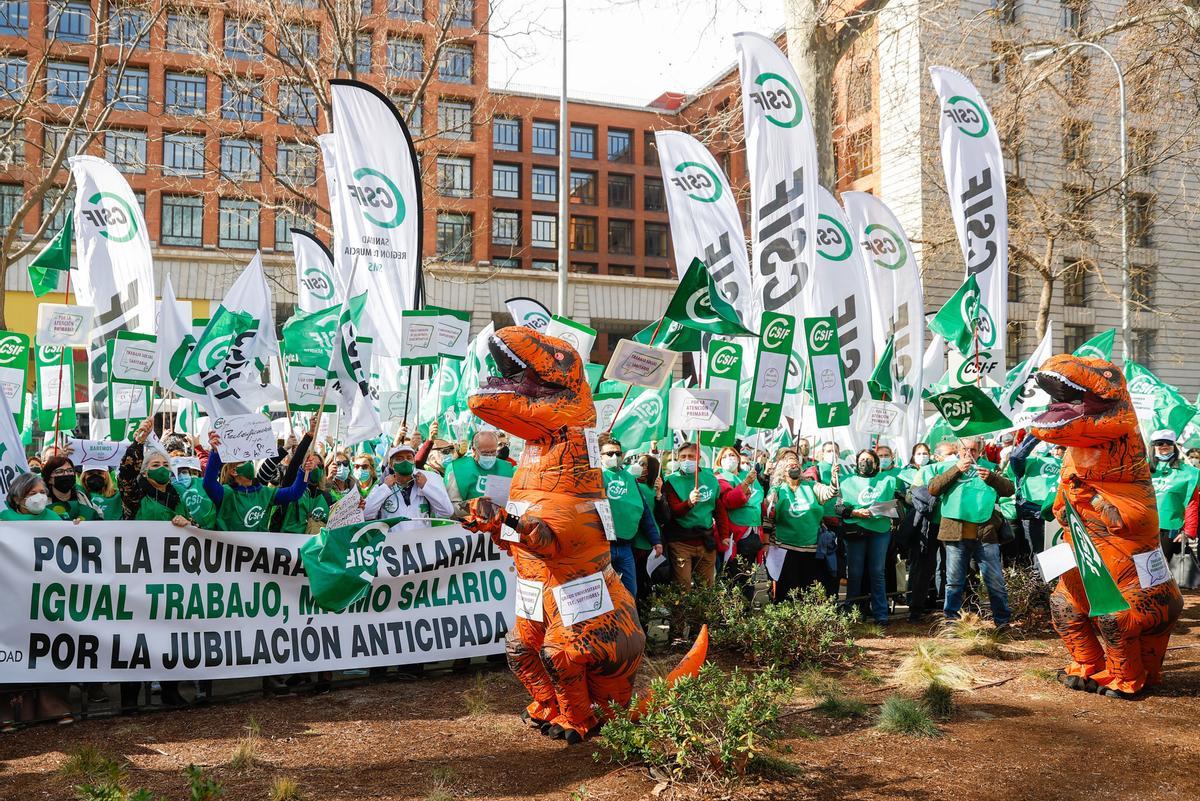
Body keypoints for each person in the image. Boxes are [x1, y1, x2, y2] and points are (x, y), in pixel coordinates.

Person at [926, 436, 1014, 629]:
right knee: (954, 582)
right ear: (958, 450)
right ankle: (951, 622)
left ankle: (1002, 622)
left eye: (973, 450)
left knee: (994, 581)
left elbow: (1009, 489)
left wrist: (991, 477)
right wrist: (956, 469)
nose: (969, 454)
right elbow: (933, 489)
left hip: (985, 534)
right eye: (965, 450)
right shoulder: (945, 467)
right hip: (955, 535)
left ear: (980, 451)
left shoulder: (991, 467)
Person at [837, 449, 903, 625]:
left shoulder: (888, 480)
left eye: (869, 459)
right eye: (861, 459)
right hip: (856, 530)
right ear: (856, 462)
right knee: (856, 572)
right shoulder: (846, 481)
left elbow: (897, 505)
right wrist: (855, 512)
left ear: (876, 463)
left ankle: (881, 614)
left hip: (880, 531)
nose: (864, 462)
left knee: (877, 572)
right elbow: (838, 508)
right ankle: (852, 611)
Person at [767, 450, 837, 601]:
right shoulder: (777, 490)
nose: (793, 464)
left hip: (811, 548)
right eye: (788, 462)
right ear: (782, 468)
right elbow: (768, 515)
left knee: (809, 589)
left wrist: (834, 479)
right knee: (787, 590)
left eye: (796, 462)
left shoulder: (812, 486)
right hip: (784, 548)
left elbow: (830, 493)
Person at [203, 431, 308, 531]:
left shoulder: (265, 493)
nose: (250, 463)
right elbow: (208, 483)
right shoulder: (226, 494)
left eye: (250, 460)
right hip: (230, 548)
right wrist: (216, 452)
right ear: (234, 471)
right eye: (244, 461)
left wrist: (305, 470)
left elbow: (294, 493)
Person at [598, 436, 661, 602]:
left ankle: (627, 627)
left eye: (618, 453)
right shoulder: (595, 477)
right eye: (609, 453)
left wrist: (655, 539)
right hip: (602, 546)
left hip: (626, 546)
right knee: (602, 595)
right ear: (600, 456)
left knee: (629, 594)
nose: (614, 457)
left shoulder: (630, 479)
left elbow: (645, 511)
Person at [661, 442, 720, 595]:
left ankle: (705, 619)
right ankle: (681, 619)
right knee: (683, 587)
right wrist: (688, 502)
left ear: (699, 458)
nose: (687, 460)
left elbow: (719, 510)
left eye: (691, 456)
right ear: (678, 459)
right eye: (683, 457)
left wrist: (725, 535)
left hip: (705, 541)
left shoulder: (711, 479)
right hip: (681, 542)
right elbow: (674, 511)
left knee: (707, 589)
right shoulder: (671, 481)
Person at [713, 444, 765, 601]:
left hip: (753, 533)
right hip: (732, 536)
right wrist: (745, 484)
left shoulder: (749, 476)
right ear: (719, 461)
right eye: (726, 456)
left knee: (748, 577)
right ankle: (729, 615)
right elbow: (729, 501)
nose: (730, 458)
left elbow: (760, 503)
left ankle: (746, 614)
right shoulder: (720, 478)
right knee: (731, 577)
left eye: (733, 455)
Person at [363, 442, 453, 525]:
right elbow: (366, 514)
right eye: (399, 459)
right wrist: (385, 488)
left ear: (414, 461)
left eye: (409, 458)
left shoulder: (425, 483)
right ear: (391, 464)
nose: (405, 461)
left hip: (422, 541)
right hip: (393, 541)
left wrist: (426, 487)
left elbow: (447, 512)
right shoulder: (382, 487)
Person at [1148, 430, 1200, 565]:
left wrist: (1188, 532)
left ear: (1174, 446)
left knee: (1162, 570)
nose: (1164, 445)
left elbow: (1192, 503)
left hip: (1170, 531)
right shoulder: (1141, 469)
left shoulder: (1188, 473)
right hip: (1142, 529)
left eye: (1168, 443)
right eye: (1159, 443)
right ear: (1153, 446)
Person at [1008, 436, 1064, 559]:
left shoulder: (1062, 463)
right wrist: (1036, 436)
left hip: (1055, 514)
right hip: (1032, 514)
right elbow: (1016, 457)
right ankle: (1037, 575)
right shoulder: (1028, 462)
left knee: (1055, 553)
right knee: (1038, 553)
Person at [630, 452, 669, 617]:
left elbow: (665, 517)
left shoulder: (651, 489)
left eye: (643, 463)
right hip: (635, 541)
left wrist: (659, 494)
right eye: (638, 462)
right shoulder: (633, 484)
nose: (639, 466)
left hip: (649, 544)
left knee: (642, 583)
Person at [445, 430, 514, 519]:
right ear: (474, 450)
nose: (490, 456)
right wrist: (475, 505)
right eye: (485, 453)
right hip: (468, 527)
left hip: (498, 525)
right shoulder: (458, 469)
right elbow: (450, 508)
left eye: (493, 452)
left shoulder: (506, 468)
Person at [42, 455, 99, 521]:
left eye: (70, 470)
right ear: (49, 479)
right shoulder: (42, 501)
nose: (66, 474)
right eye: (59, 471)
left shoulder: (83, 496)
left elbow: (98, 516)